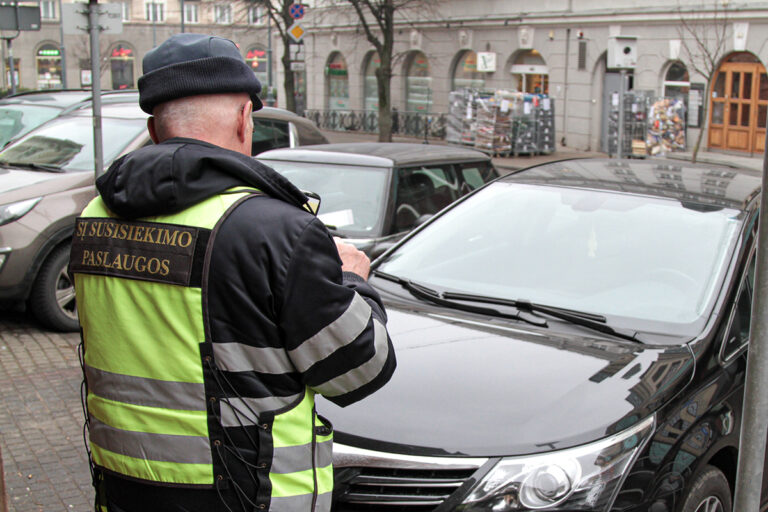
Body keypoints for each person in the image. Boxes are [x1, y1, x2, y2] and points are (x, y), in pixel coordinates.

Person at [69, 33, 396, 512]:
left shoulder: (95, 217)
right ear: (246, 118)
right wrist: (353, 279)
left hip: (125, 491)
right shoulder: (274, 230)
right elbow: (359, 372)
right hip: (251, 494)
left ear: (156, 130)